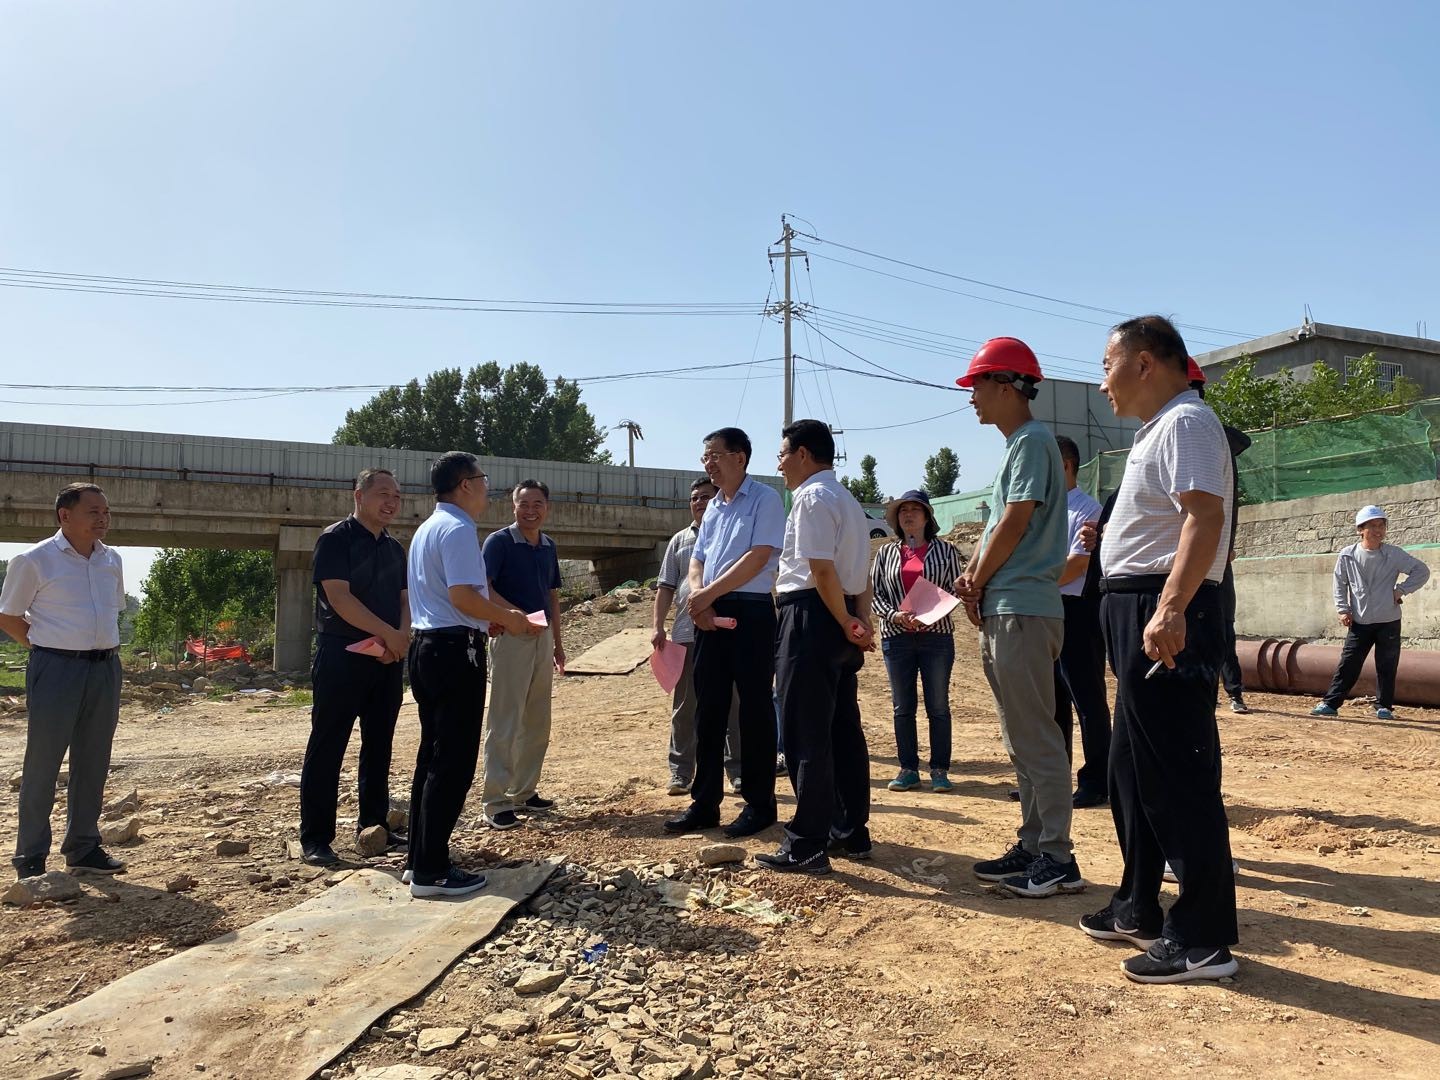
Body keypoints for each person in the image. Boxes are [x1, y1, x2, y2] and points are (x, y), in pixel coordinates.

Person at [1080, 314, 1240, 984]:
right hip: (1137, 606)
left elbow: (1205, 515)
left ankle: (1203, 939)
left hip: (1166, 608)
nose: (1102, 383)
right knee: (1131, 767)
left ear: (1144, 362)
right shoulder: (1160, 428)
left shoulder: (1187, 423)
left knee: (1177, 773)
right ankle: (1138, 903)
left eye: (1107, 366)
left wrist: (1171, 606)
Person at [955, 338, 1081, 899]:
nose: (972, 397)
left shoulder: (1031, 441)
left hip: (1023, 607)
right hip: (1009, 606)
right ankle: (1034, 844)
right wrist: (973, 577)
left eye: (977, 385)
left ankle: (1056, 856)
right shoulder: (1019, 445)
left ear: (1006, 385)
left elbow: (1015, 521)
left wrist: (978, 579)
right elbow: (997, 528)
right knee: (1020, 736)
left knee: (1036, 737)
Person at [405, 452, 539, 898]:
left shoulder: (428, 527)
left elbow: (452, 599)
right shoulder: (459, 528)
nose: (487, 487)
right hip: (453, 652)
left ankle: (419, 860)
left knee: (432, 756)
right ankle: (432, 872)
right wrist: (509, 617)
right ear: (465, 484)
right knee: (453, 761)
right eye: (482, 479)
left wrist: (486, 619)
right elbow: (463, 596)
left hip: (428, 647)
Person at [757, 419, 874, 874]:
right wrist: (858, 620)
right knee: (843, 728)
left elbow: (821, 569)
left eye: (782, 455)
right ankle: (850, 829)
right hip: (840, 615)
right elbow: (859, 575)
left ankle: (807, 841)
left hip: (812, 615)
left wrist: (844, 620)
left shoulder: (811, 498)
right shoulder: (848, 500)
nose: (780, 465)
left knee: (806, 731)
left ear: (803, 454)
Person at [0, 483, 127, 880]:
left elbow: (113, 611)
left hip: (105, 668)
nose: (103, 518)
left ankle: (83, 847)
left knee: (93, 760)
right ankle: (30, 856)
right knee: (44, 762)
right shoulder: (34, 560)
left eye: (106, 511)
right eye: (94, 511)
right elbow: (8, 616)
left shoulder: (111, 559)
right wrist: (44, 647)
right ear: (65, 515)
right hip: (56, 669)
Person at [665, 427, 786, 838]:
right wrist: (700, 597)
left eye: (715, 455)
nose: (709, 463)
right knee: (709, 709)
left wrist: (708, 595)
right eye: (705, 457)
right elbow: (697, 559)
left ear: (740, 457)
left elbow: (759, 557)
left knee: (754, 710)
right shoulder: (714, 507)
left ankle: (759, 804)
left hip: (750, 611)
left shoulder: (766, 499)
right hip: (709, 614)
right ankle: (704, 803)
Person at [298, 468, 410, 867]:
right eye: (383, 494)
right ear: (359, 495)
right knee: (328, 745)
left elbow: (405, 600)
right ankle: (316, 838)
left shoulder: (395, 548)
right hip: (342, 655)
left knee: (379, 745)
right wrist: (389, 634)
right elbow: (339, 598)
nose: (391, 502)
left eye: (396, 496)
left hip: (386, 659)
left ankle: (374, 826)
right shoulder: (335, 539)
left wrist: (400, 638)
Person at [479, 479, 566, 830]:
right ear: (513, 506)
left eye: (537, 504)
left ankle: (524, 791)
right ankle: (495, 801)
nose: (531, 510)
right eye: (524, 504)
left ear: (547, 507)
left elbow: (552, 595)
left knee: (537, 719)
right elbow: (483, 588)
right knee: (505, 719)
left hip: (542, 638)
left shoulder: (548, 545)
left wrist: (558, 643)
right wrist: (512, 616)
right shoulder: (498, 542)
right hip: (511, 637)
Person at [651, 476, 742, 796]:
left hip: (725, 630)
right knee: (685, 706)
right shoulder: (679, 540)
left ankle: (737, 771)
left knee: (732, 705)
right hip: (686, 635)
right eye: (694, 498)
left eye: (705, 496)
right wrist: (657, 625)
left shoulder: (731, 534)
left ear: (718, 499)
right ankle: (680, 772)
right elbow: (665, 587)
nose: (699, 502)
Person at [869, 489, 963, 793]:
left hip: (937, 637)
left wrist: (935, 612)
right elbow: (874, 595)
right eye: (903, 510)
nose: (908, 515)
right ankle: (908, 769)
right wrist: (895, 615)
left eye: (915, 509)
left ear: (927, 517)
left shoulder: (946, 551)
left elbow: (957, 590)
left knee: (938, 705)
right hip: (896, 638)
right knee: (902, 707)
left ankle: (939, 770)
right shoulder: (885, 553)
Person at [1310, 505, 1429, 721]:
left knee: (1387, 665)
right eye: (1372, 526)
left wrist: (1401, 590)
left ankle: (1384, 707)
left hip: (1388, 620)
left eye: (1381, 526)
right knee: (1349, 663)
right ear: (1360, 529)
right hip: (1360, 621)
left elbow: (1422, 571)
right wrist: (1343, 609)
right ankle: (1330, 704)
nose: (1378, 530)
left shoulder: (1393, 554)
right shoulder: (1348, 555)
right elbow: (1340, 584)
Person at [1187, 358, 1254, 714]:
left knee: (1222, 627)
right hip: (1200, 557)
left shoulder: (1199, 431)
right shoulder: (1197, 432)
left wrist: (1226, 544)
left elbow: (1217, 508)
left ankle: (1232, 692)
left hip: (1207, 557)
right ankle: (1214, 693)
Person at [1052, 436, 1111, 810]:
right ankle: (1054, 780)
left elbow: (1077, 564)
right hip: (1047, 610)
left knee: (1086, 698)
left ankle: (1097, 780)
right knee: (1052, 702)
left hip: (1078, 612)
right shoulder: (1043, 512)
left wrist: (1031, 583)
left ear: (1065, 466)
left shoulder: (1087, 510)